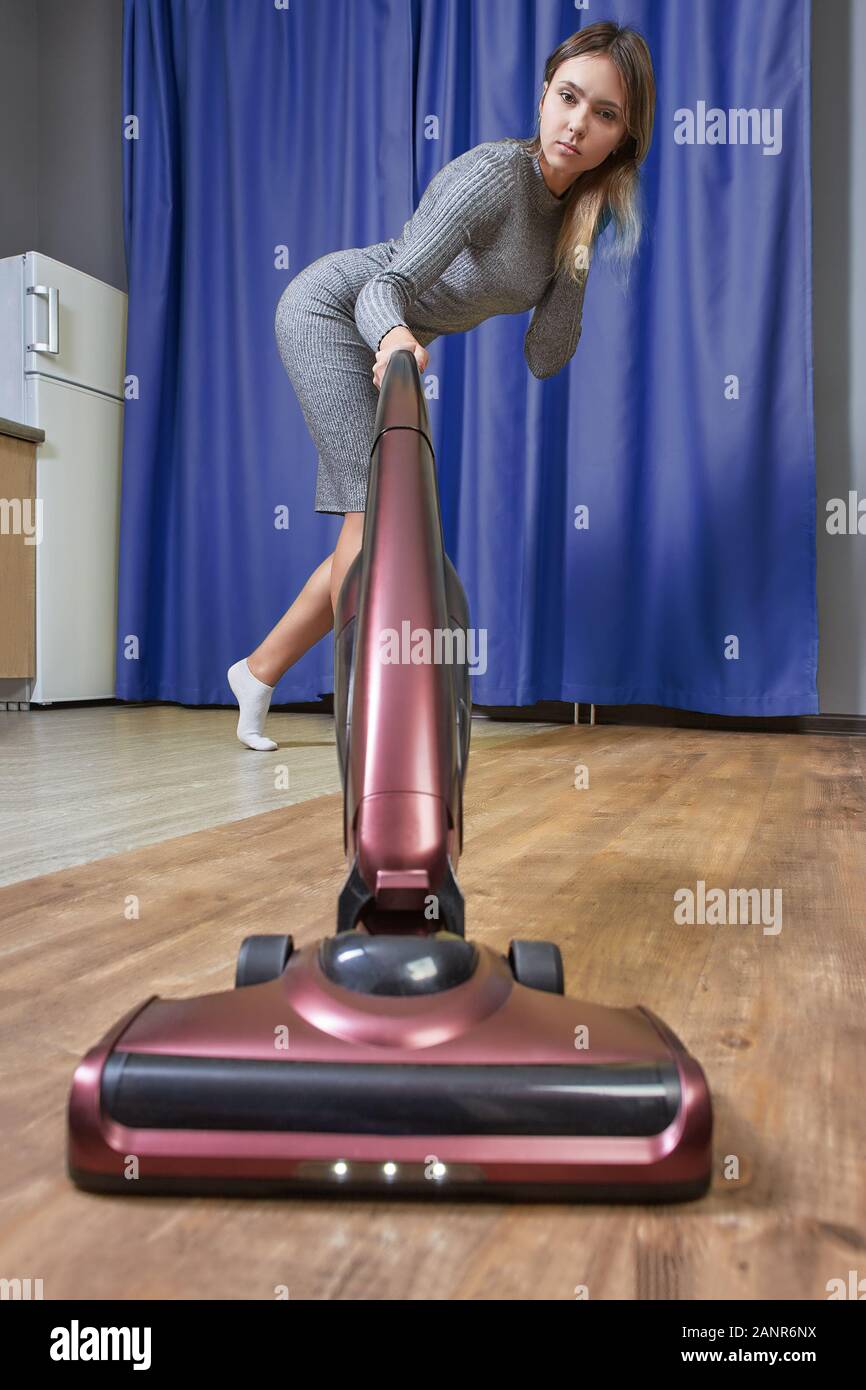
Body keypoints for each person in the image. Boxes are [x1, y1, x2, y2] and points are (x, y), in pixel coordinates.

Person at [228, 19, 655, 750]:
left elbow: (545, 356)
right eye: (568, 97)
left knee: (380, 523)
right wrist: (395, 335)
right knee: (378, 516)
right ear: (544, 95)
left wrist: (580, 248)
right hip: (334, 312)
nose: (578, 123)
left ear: (622, 138)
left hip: (393, 344)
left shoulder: (574, 217)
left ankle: (258, 672)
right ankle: (374, 714)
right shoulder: (494, 175)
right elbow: (384, 286)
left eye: (604, 113)